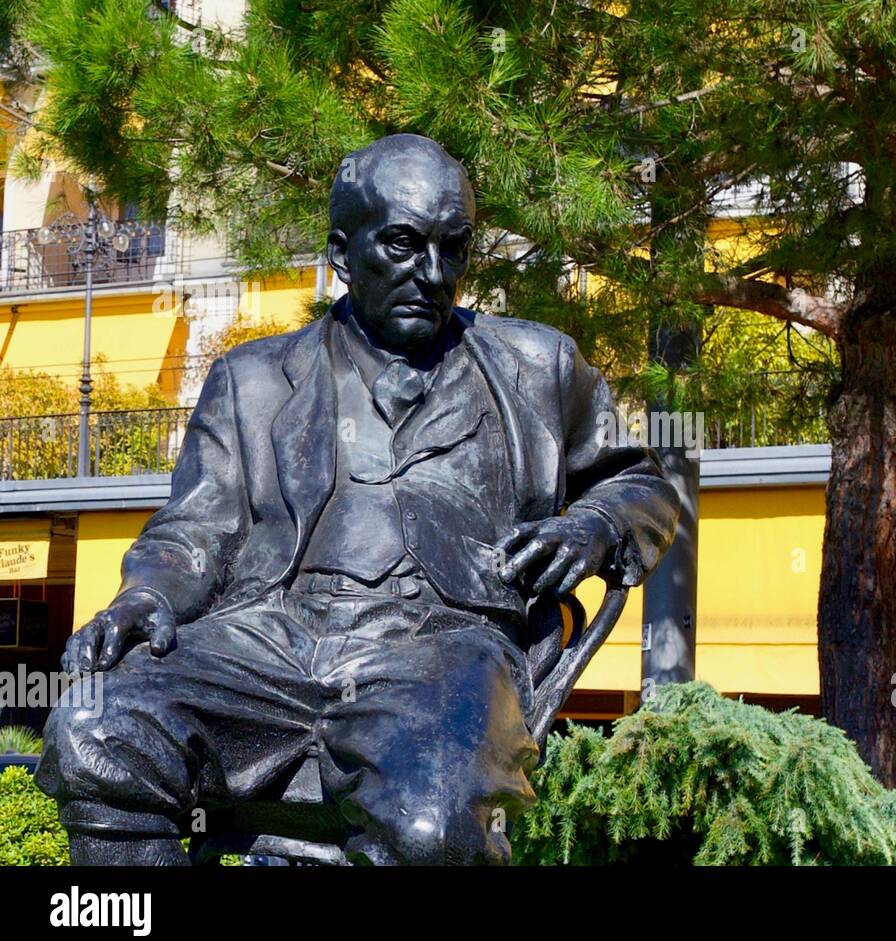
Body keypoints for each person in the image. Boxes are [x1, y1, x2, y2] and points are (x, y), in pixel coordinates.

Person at [35, 134, 680, 865]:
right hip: (268, 639)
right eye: (403, 245)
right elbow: (193, 532)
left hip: (440, 648)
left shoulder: (539, 366)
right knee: (98, 726)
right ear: (343, 255)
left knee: (433, 831)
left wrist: (593, 526)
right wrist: (143, 599)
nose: (433, 275)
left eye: (454, 248)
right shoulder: (251, 378)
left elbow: (644, 486)